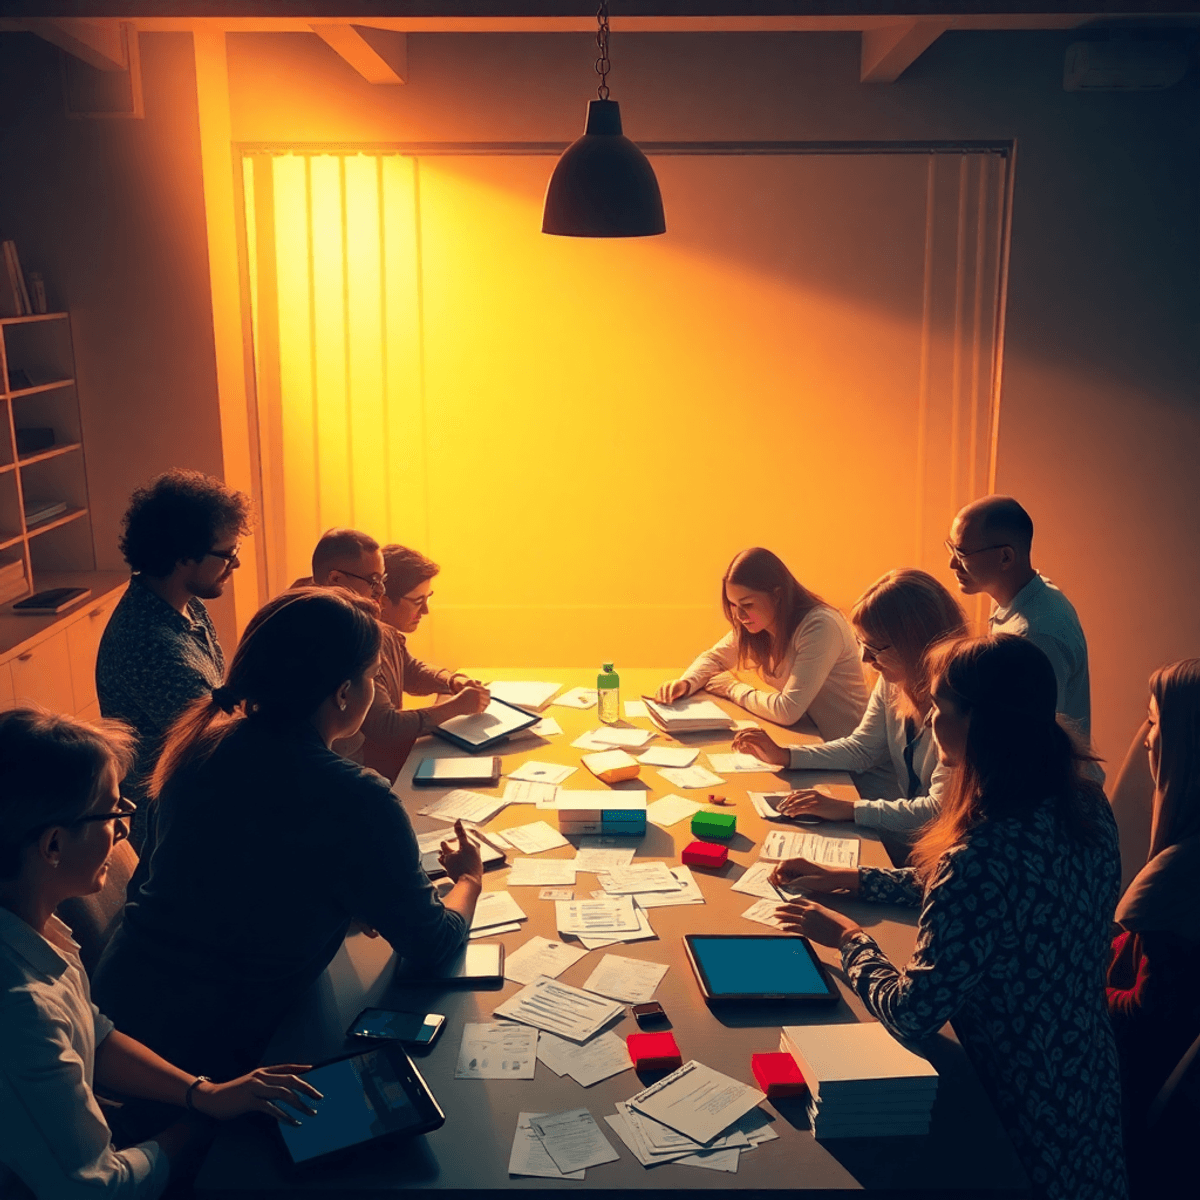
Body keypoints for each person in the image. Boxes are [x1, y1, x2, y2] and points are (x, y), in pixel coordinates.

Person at [92, 588, 481, 1129]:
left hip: (122, 1018)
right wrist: (468, 880)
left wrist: (341, 902)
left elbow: (229, 878)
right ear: (344, 693)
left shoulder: (198, 747)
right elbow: (432, 944)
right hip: (218, 1054)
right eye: (372, 676)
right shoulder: (357, 796)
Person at [770, 635, 1125, 1200]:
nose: (929, 718)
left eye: (939, 707)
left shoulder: (983, 856)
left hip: (1012, 1106)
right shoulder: (1083, 804)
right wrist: (860, 879)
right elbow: (1000, 903)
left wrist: (850, 939)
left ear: (981, 724)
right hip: (1084, 1079)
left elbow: (914, 1014)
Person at [0, 708, 319, 1199]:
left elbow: (94, 1036)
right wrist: (207, 1127)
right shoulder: (20, 1008)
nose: (124, 830)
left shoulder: (34, 930)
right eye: (110, 812)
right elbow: (98, 1189)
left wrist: (207, 1094)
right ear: (54, 844)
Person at [733, 569, 966, 834]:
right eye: (861, 644)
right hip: (912, 834)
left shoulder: (959, 704)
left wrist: (847, 809)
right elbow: (863, 749)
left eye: (877, 648)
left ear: (916, 641)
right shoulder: (894, 678)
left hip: (945, 845)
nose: (866, 659)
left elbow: (937, 812)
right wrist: (785, 755)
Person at [96, 469, 251, 851]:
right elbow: (221, 739)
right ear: (184, 556)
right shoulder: (149, 643)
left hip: (203, 800)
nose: (236, 565)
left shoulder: (187, 605)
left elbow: (222, 703)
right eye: (228, 555)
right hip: (174, 831)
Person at [1107, 659, 1200, 1195]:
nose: (1145, 737)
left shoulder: (1179, 877)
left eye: (1155, 723)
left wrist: (1073, 990)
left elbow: (1146, 1012)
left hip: (1123, 1090)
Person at [656, 547, 868, 740]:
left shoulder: (820, 627)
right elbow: (715, 658)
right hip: (809, 740)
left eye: (747, 604)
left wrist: (732, 688)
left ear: (777, 596)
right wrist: (687, 682)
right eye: (733, 604)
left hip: (849, 758)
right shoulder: (759, 624)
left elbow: (788, 710)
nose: (739, 615)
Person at [946, 495, 1091, 737]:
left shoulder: (1035, 635)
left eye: (962, 553)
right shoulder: (1022, 595)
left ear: (1005, 557)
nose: (952, 564)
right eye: (952, 548)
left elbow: (1037, 739)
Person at [357, 544, 490, 781]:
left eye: (427, 598)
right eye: (418, 601)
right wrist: (455, 707)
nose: (426, 611)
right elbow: (386, 727)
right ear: (382, 601)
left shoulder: (388, 637)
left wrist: (452, 681)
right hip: (370, 777)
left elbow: (411, 671)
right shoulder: (367, 642)